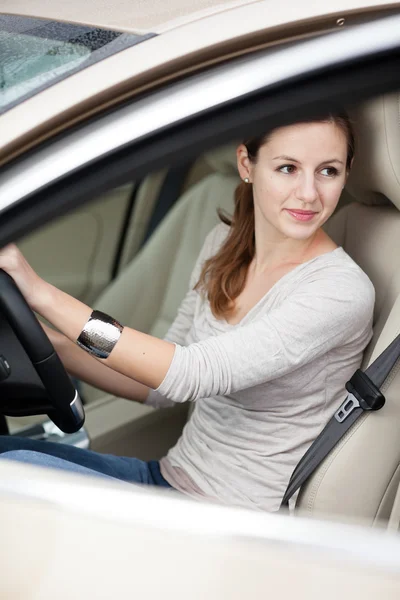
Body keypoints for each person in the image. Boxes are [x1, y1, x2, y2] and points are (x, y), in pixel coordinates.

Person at [0, 114, 375, 512]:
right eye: (287, 168)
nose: (308, 193)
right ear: (247, 165)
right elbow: (157, 386)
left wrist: (41, 294)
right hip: (166, 479)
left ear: (347, 173)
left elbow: (186, 373)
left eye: (328, 172)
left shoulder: (340, 292)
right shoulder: (224, 244)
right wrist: (48, 343)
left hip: (231, 519)